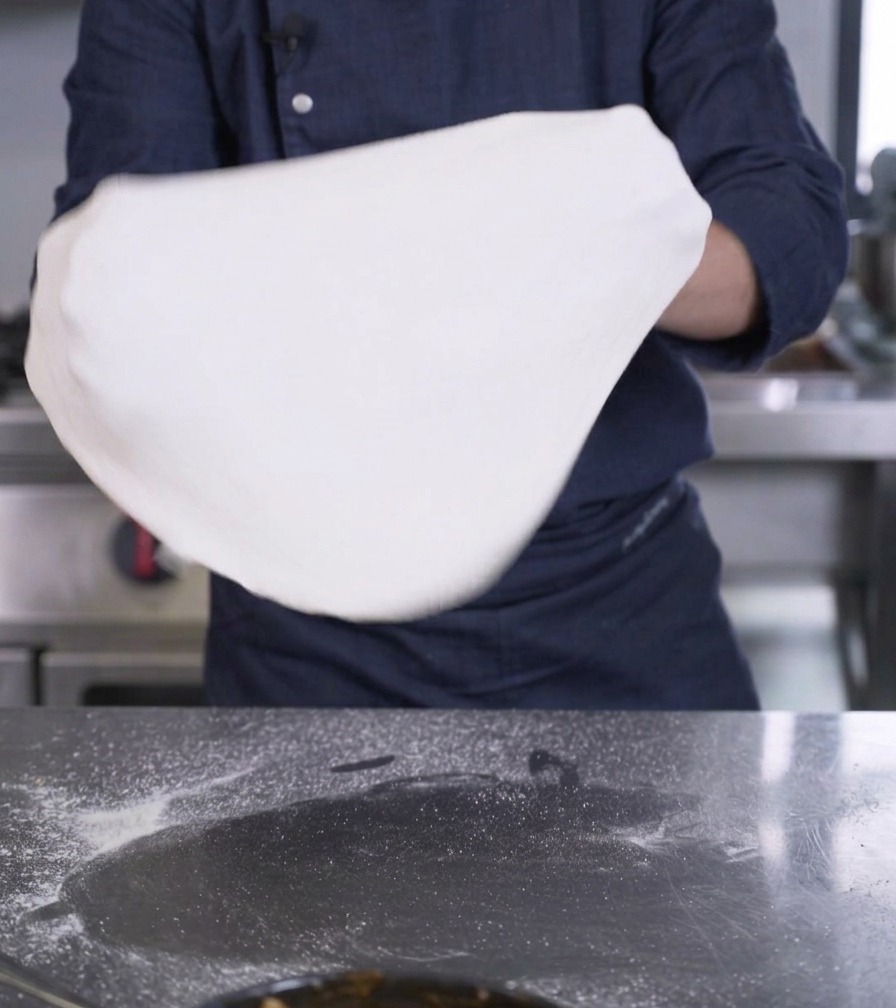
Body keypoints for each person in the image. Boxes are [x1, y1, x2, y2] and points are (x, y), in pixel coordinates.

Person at [52, 0, 848, 709]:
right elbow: (115, 272)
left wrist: (586, 243)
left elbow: (790, 239)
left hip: (615, 605)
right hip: (308, 641)